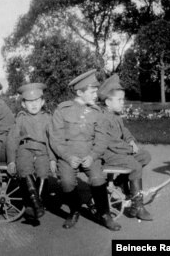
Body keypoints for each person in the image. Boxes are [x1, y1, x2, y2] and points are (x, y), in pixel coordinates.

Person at [49, 69, 121, 231]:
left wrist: (93, 155)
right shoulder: (62, 110)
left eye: (96, 91)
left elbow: (102, 138)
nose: (96, 94)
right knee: (67, 181)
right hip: (68, 154)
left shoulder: (97, 112)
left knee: (97, 178)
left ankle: (105, 214)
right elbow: (56, 138)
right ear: (80, 92)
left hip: (90, 154)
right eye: (92, 91)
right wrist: (67, 157)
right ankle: (74, 210)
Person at [97, 74, 153, 221]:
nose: (123, 102)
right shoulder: (103, 119)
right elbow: (112, 143)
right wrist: (129, 150)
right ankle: (137, 206)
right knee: (135, 165)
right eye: (120, 100)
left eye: (123, 99)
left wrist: (131, 141)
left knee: (145, 155)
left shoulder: (116, 116)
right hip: (109, 155)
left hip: (118, 153)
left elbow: (125, 132)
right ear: (108, 102)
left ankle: (121, 181)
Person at [6, 82, 56, 220]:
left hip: (42, 150)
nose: (33, 104)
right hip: (25, 148)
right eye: (29, 101)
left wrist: (52, 159)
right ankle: (35, 205)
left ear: (43, 102)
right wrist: (11, 161)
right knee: (24, 168)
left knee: (43, 171)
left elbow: (52, 140)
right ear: (23, 104)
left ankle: (36, 204)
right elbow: (12, 139)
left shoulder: (48, 118)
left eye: (37, 101)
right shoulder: (21, 118)